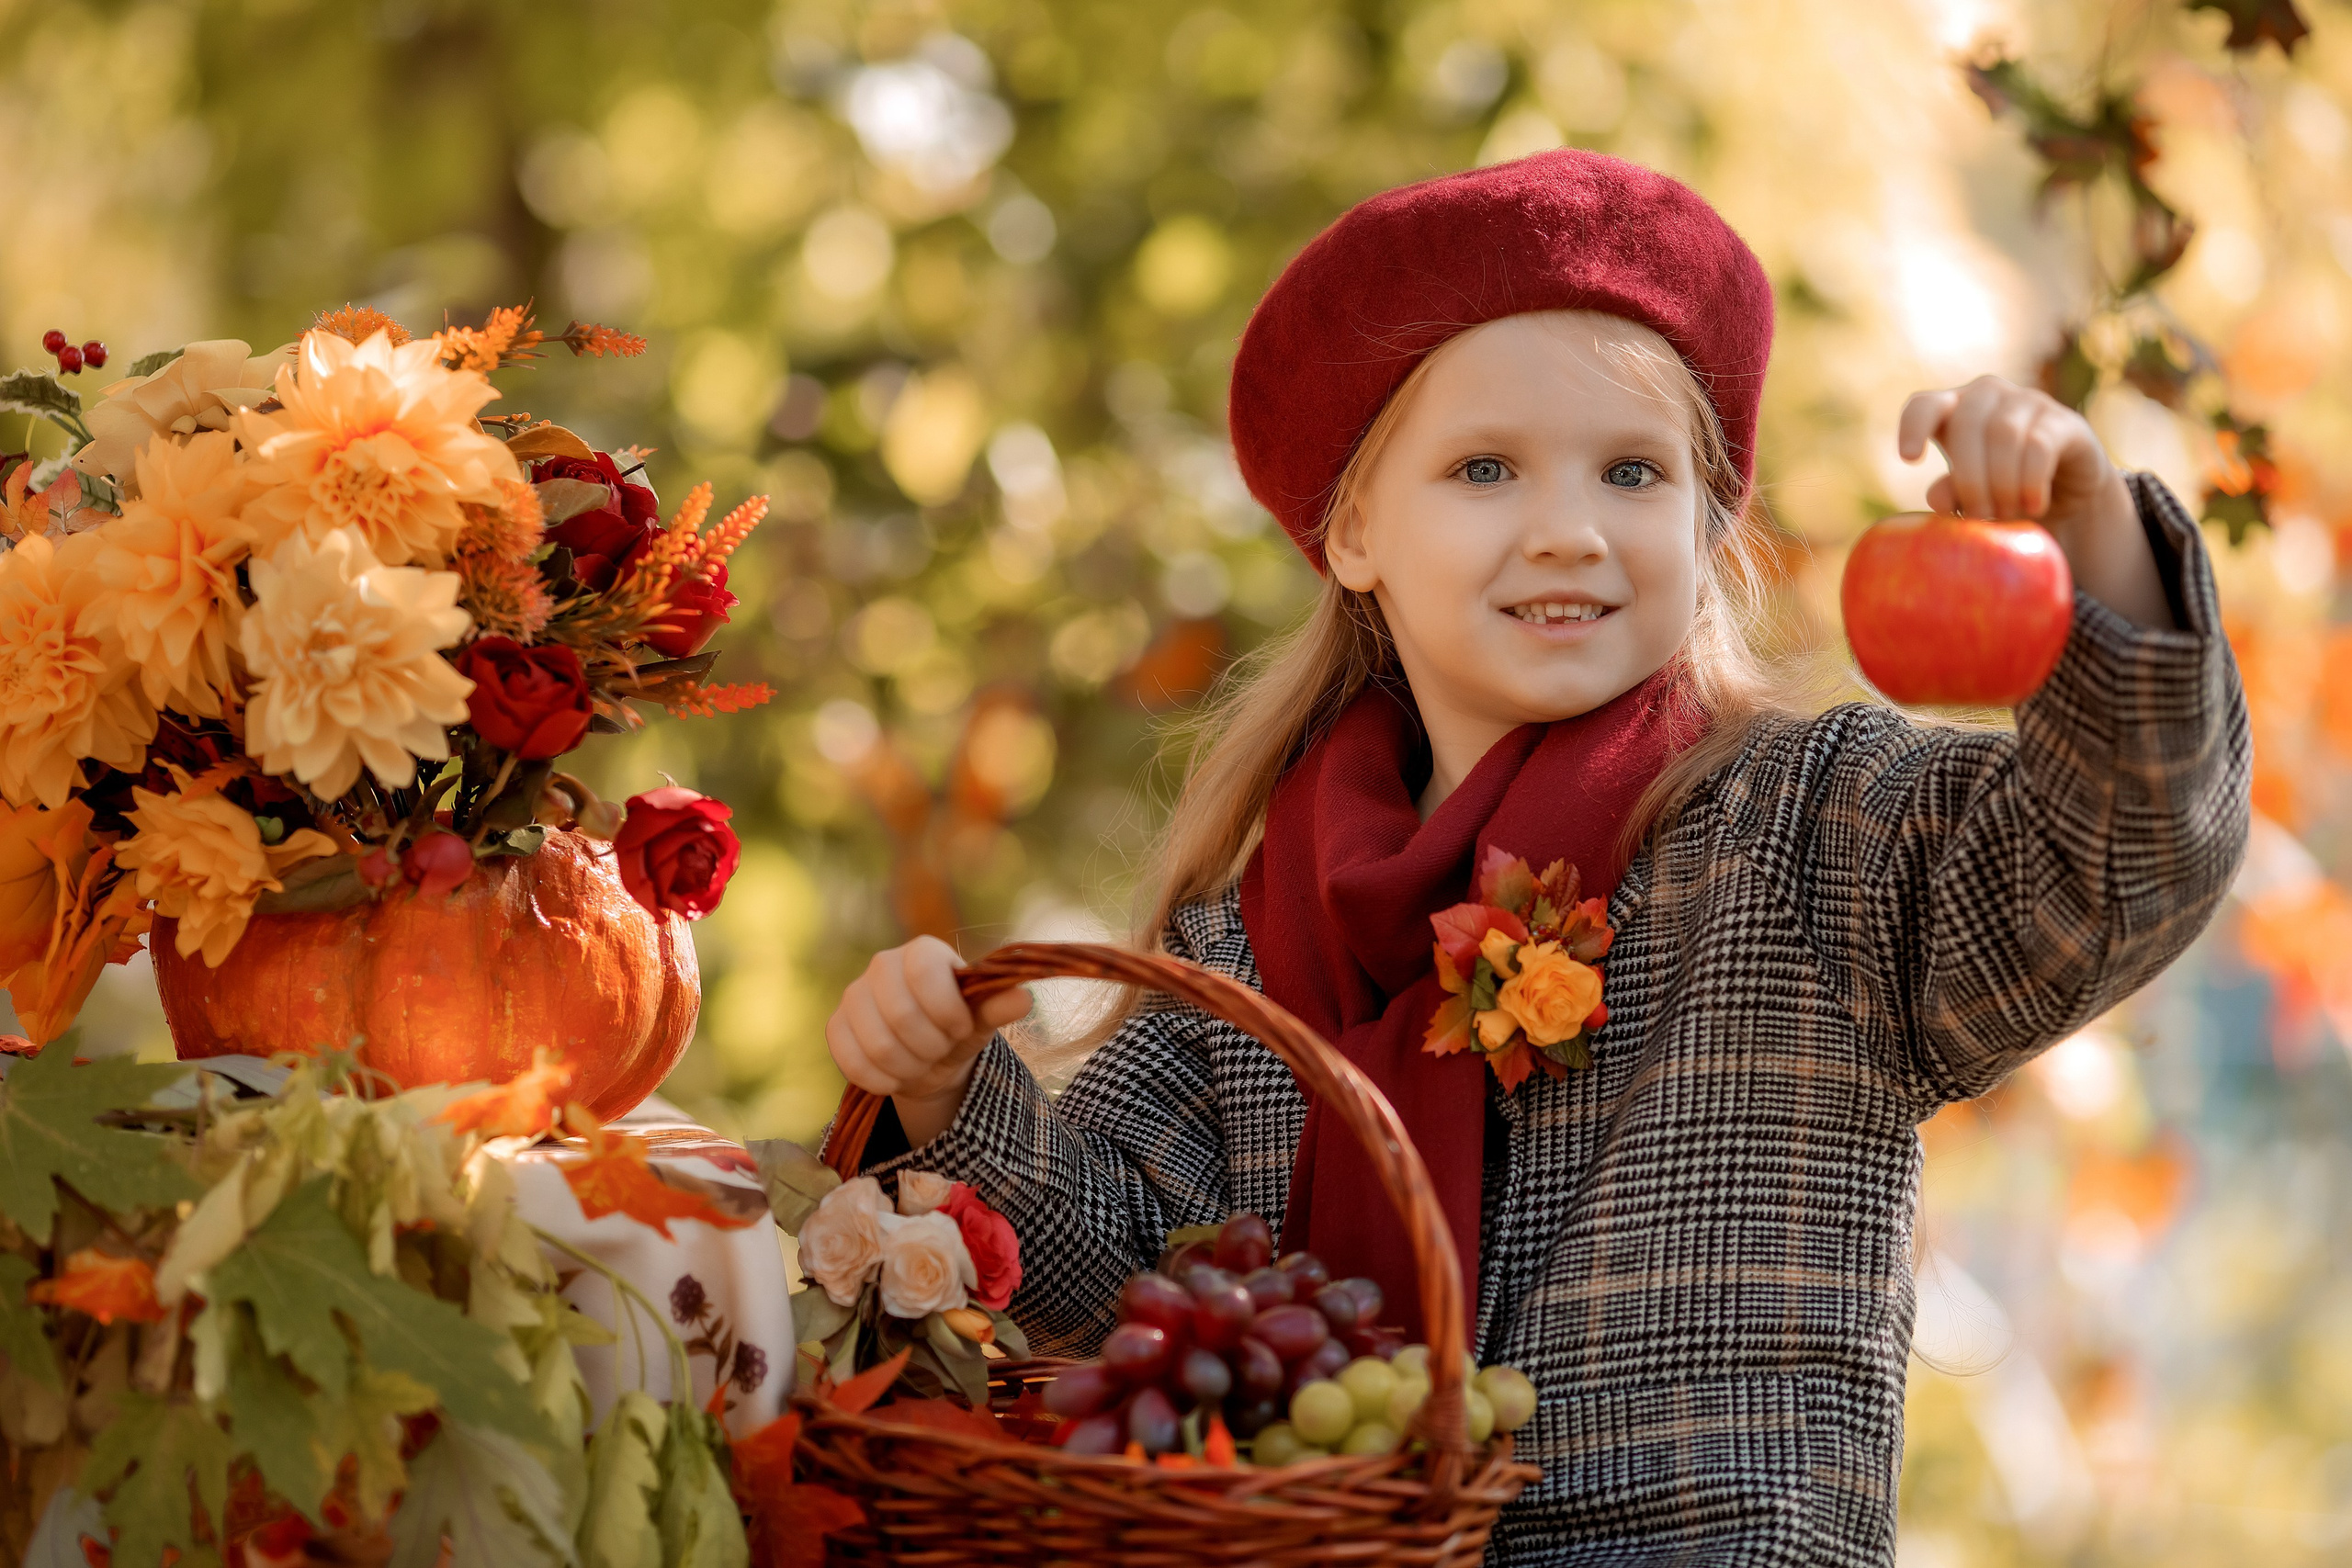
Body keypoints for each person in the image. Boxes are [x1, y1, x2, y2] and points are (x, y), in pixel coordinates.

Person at [820, 149, 2250, 1563]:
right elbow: (1112, 1291)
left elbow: (2110, 873)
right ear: (1359, 530)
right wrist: (953, 1087)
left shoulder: (1817, 829)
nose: (1567, 530)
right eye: (1486, 468)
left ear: (1706, 521)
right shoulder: (1246, 933)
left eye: (1632, 472)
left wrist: (2098, 543)